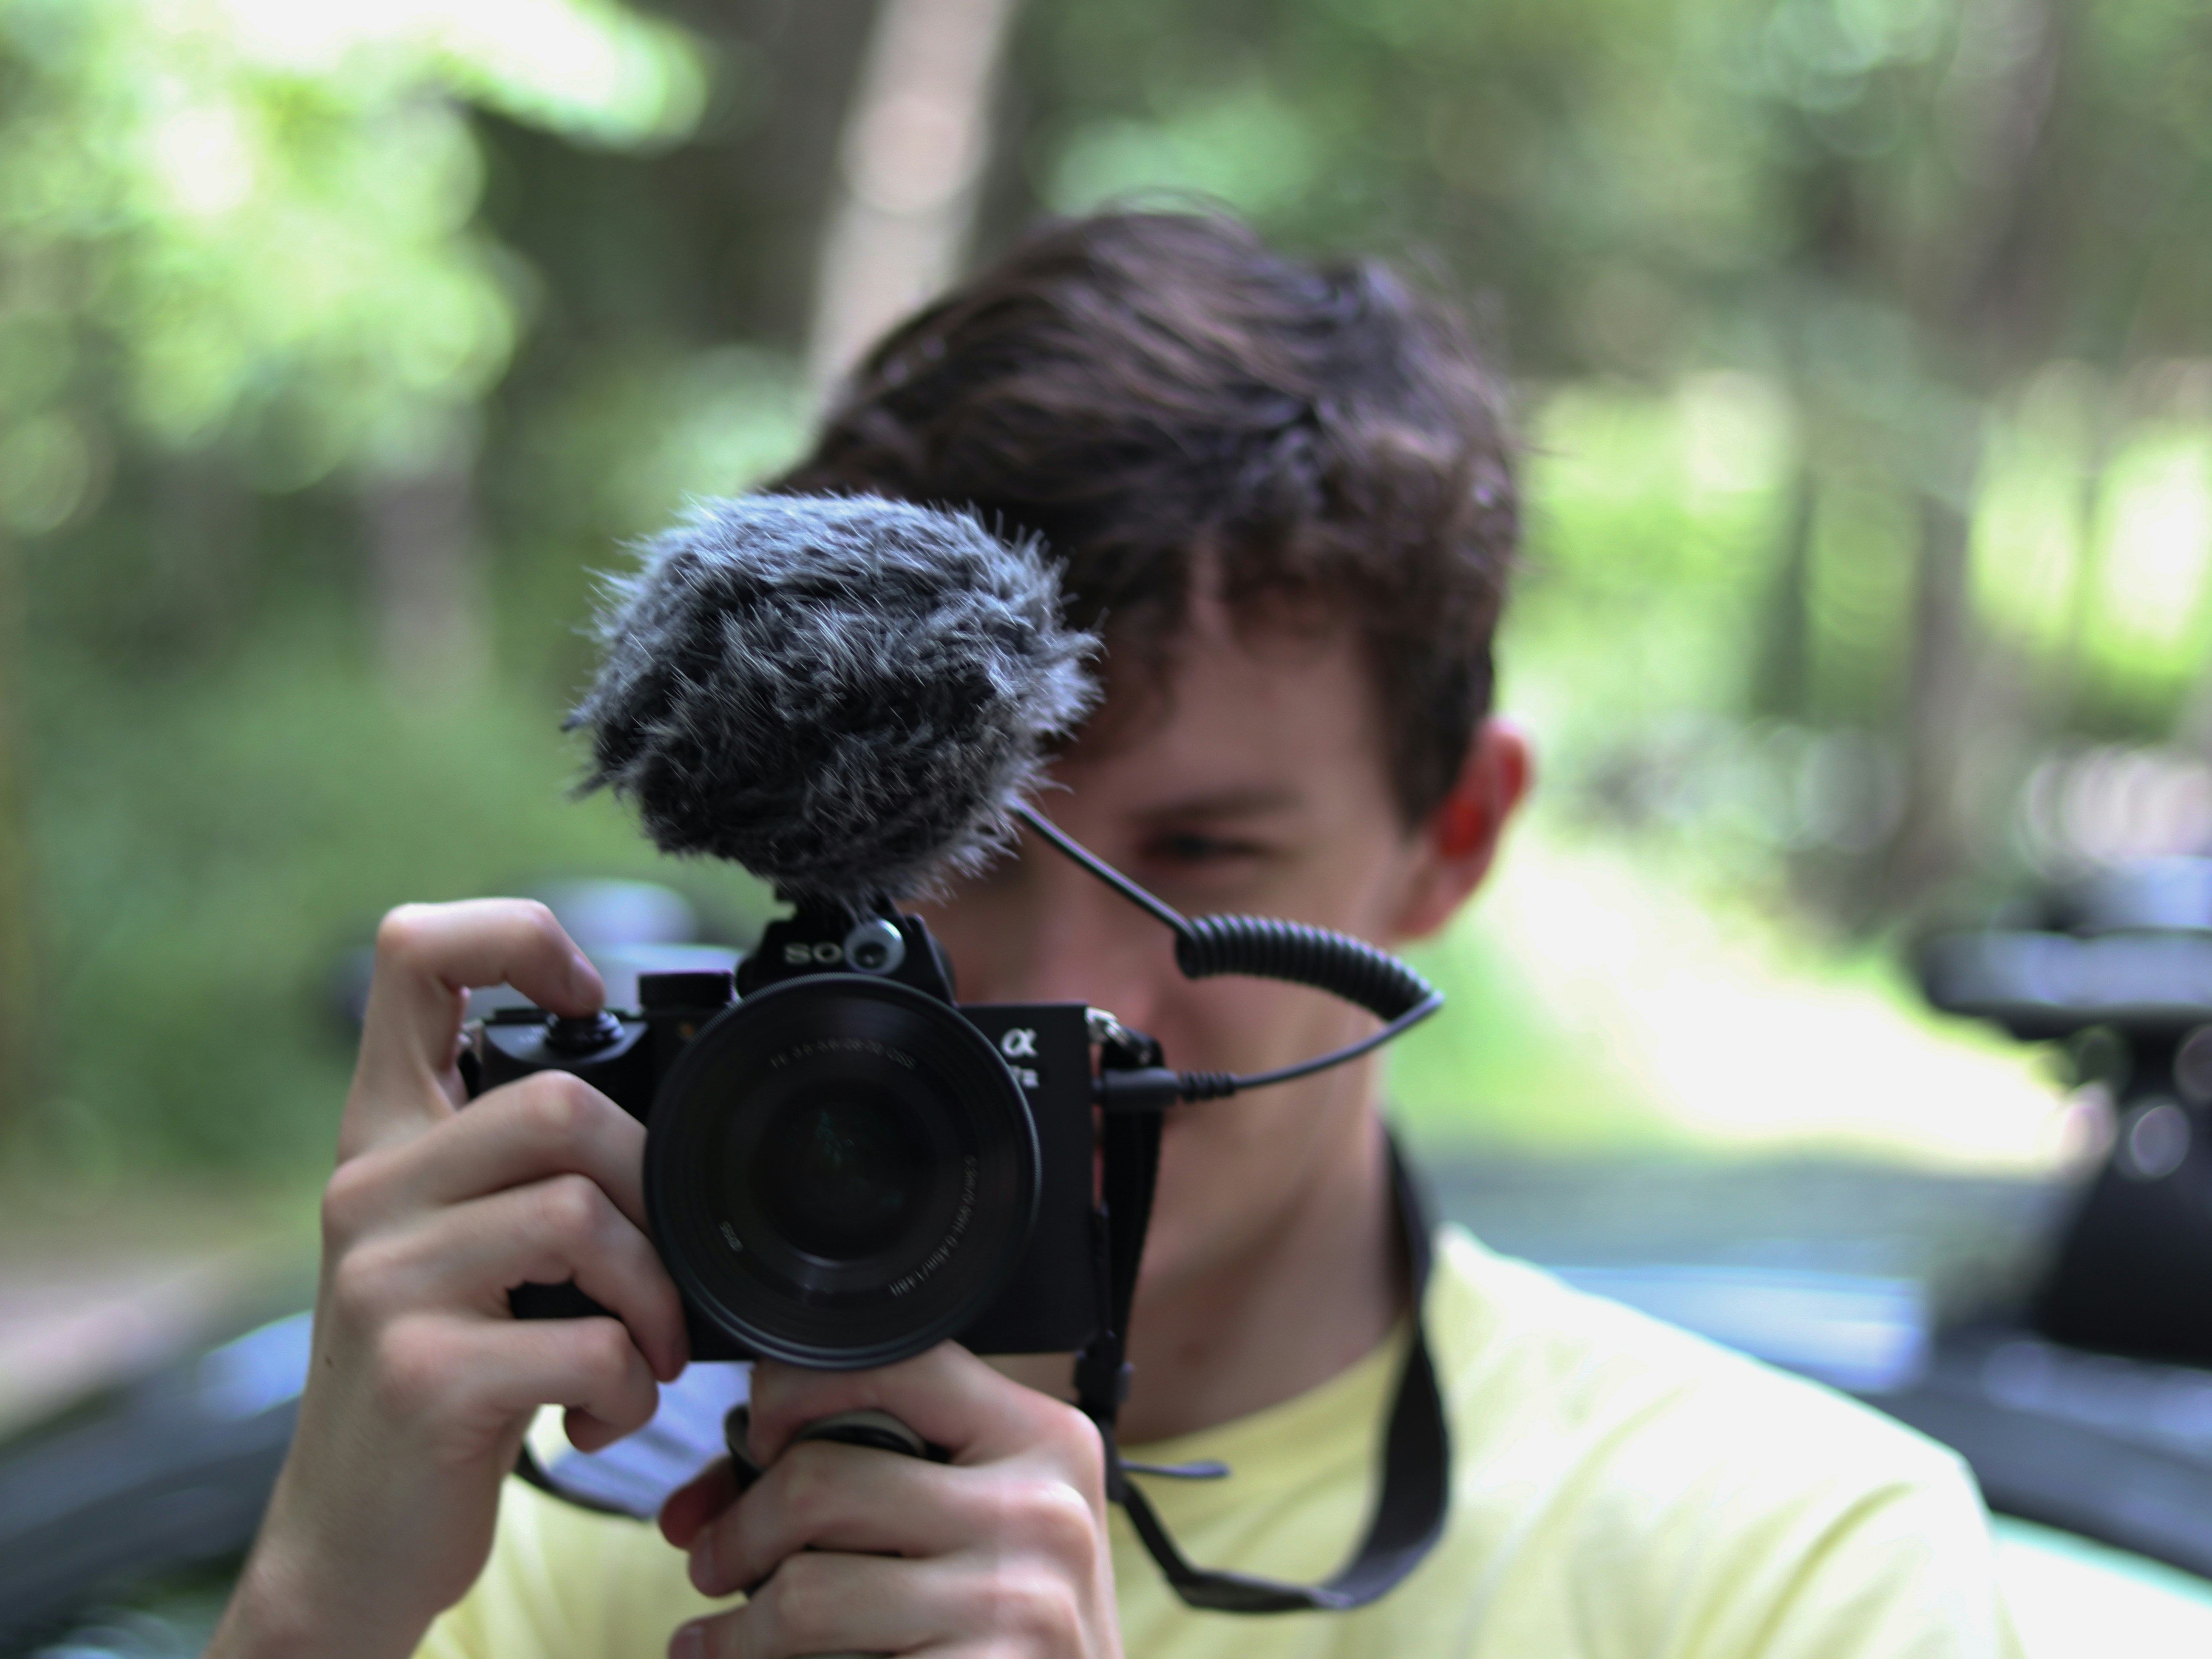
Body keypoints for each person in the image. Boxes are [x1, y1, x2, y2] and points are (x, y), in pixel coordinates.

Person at [207, 213, 2023, 1659]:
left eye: (1205, 853)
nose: (1072, 989)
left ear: (1452, 836)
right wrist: (316, 1604)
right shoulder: (569, 1509)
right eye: (972, 853)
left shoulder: (1795, 1574)